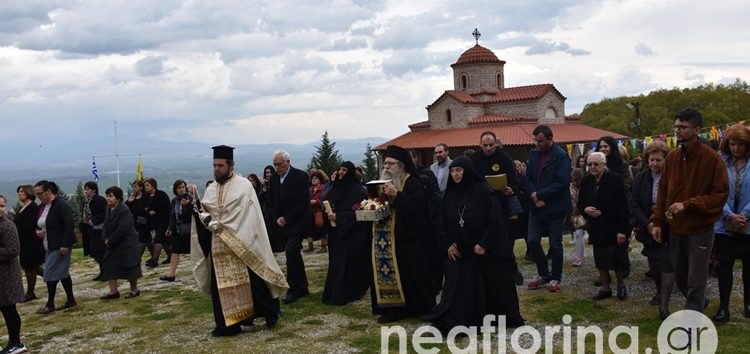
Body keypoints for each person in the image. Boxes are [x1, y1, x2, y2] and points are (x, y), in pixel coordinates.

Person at [192, 145, 288, 336]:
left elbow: (247, 216)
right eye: (214, 165)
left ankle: (270, 311)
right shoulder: (211, 188)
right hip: (218, 246)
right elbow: (206, 213)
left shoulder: (244, 185)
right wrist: (195, 206)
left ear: (231, 165)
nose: (217, 169)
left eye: (220, 165)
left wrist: (223, 227)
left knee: (253, 283)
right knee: (222, 287)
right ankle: (228, 325)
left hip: (240, 242)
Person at [424, 157, 524, 333]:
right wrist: (448, 244)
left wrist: (484, 244)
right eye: (452, 171)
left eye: (459, 171)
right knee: (457, 289)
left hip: (482, 251)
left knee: (489, 284)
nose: (455, 174)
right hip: (461, 252)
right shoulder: (450, 194)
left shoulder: (483, 191)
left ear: (467, 171)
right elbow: (442, 223)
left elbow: (495, 220)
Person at [651, 108, 729, 313]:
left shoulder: (712, 159)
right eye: (676, 126)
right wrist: (658, 221)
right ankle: (698, 303)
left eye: (683, 127)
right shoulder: (673, 158)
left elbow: (720, 194)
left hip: (700, 228)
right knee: (681, 276)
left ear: (697, 129)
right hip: (676, 227)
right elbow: (663, 191)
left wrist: (689, 204)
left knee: (696, 279)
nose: (678, 130)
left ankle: (692, 323)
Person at [371, 145, 435, 324]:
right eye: (385, 164)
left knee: (414, 275)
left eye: (390, 164)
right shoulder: (383, 183)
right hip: (389, 237)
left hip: (412, 238)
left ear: (401, 165)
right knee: (394, 274)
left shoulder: (413, 181)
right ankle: (394, 310)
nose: (386, 168)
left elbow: (417, 206)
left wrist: (397, 195)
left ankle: (422, 307)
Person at [470, 131, 524, 285]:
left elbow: (515, 182)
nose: (488, 148)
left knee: (505, 241)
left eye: (491, 145)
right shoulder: (474, 159)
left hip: (501, 205)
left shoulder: (504, 158)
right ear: (480, 144)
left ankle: (512, 269)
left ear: (496, 143)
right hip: (480, 206)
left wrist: (510, 189)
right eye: (485, 145)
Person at [524, 124, 571, 292]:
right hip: (536, 206)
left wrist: (542, 195)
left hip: (555, 207)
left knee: (555, 244)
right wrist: (534, 195)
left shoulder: (561, 157)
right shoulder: (534, 154)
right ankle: (543, 274)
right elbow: (527, 178)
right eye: (535, 140)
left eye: (541, 141)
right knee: (532, 241)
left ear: (550, 139)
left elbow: (561, 182)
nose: (537, 143)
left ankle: (555, 278)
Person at [578, 152, 630, 300]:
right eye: (590, 164)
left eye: (596, 164)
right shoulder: (586, 180)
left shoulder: (615, 180)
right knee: (599, 259)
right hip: (595, 226)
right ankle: (606, 288)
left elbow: (623, 206)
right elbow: (580, 203)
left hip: (613, 224)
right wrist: (586, 210)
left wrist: (622, 231)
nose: (592, 167)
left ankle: (621, 284)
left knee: (616, 258)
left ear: (603, 165)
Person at [632, 141, 675, 319]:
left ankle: (664, 305)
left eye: (659, 160)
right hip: (647, 227)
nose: (654, 163)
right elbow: (634, 203)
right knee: (654, 264)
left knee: (667, 264)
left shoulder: (673, 176)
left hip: (668, 226)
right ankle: (659, 291)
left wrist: (661, 220)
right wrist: (647, 224)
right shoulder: (642, 177)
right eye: (651, 160)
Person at [713, 124, 750, 322]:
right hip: (724, 223)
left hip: (748, 222)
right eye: (732, 144)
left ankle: (748, 304)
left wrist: (743, 215)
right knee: (724, 266)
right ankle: (723, 307)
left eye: (740, 145)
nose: (736, 148)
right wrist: (729, 215)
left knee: (749, 266)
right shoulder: (720, 162)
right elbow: (715, 191)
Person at [322, 161, 370, 305]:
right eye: (340, 169)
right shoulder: (335, 188)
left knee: (350, 263)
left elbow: (358, 212)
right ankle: (335, 292)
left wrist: (339, 217)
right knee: (336, 263)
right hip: (336, 232)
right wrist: (329, 213)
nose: (341, 172)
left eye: (344, 170)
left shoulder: (359, 190)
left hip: (352, 233)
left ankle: (351, 292)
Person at [269, 150, 312, 304]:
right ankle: (302, 287)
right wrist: (277, 218)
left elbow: (302, 203)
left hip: (298, 222)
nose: (277, 167)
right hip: (282, 223)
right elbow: (271, 202)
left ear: (288, 162)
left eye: (279, 164)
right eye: (275, 165)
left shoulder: (300, 176)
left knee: (291, 251)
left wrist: (286, 218)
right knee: (294, 255)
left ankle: (293, 288)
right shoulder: (274, 179)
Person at [33, 180, 76, 315]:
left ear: (48, 192)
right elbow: (41, 223)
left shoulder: (60, 204)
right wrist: (38, 231)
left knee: (50, 273)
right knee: (63, 273)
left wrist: (65, 244)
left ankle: (50, 304)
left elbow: (69, 224)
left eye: (40, 193)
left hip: (59, 245)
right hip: (48, 244)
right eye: (36, 194)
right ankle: (71, 300)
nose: (38, 196)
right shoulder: (42, 206)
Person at [100, 186, 142, 300]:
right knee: (109, 265)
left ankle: (134, 290)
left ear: (118, 198)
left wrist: (111, 240)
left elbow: (123, 228)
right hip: (111, 243)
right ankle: (113, 291)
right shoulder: (108, 208)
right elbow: (105, 225)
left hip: (126, 243)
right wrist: (104, 238)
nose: (108, 198)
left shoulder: (124, 210)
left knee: (130, 266)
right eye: (107, 196)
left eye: (111, 196)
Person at [0, 195, 28, 354]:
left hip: (6, 275)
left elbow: (13, 250)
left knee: (9, 310)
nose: (0, 209)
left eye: (2, 205)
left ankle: (16, 343)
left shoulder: (7, 226)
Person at [13, 185, 44, 303]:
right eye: (18, 191)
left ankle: (30, 293)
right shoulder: (23, 207)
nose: (19, 194)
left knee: (29, 266)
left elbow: (29, 227)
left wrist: (17, 234)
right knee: (34, 267)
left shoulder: (32, 207)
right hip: (24, 241)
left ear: (28, 193)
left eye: (22, 191)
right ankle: (54, 277)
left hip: (30, 242)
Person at [161, 180, 192, 282]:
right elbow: (172, 216)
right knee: (175, 251)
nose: (181, 189)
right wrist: (169, 228)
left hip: (190, 230)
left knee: (196, 251)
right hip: (178, 230)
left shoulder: (190, 198)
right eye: (179, 188)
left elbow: (195, 213)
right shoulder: (174, 201)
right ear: (175, 190)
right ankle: (171, 274)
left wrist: (188, 205)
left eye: (183, 187)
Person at [80, 181, 107, 281]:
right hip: (89, 229)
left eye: (87, 189)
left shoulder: (100, 200)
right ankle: (103, 271)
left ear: (94, 190)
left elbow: (104, 213)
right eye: (85, 189)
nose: (85, 191)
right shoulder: (87, 201)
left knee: (99, 251)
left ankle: (106, 272)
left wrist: (94, 220)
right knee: (93, 252)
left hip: (98, 229)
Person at [144, 178, 172, 268]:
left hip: (164, 220)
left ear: (153, 185)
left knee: (158, 238)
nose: (146, 187)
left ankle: (154, 260)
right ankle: (171, 256)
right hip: (154, 221)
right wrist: (149, 212)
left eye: (147, 185)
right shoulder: (147, 196)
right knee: (164, 241)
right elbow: (145, 208)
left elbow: (167, 208)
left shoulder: (161, 195)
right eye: (145, 186)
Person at [126, 180, 154, 261]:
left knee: (142, 240)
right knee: (148, 241)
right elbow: (127, 208)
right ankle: (154, 257)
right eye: (133, 187)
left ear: (141, 187)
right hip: (136, 222)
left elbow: (149, 207)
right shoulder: (133, 197)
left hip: (145, 222)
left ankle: (137, 258)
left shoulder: (146, 196)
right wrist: (129, 202)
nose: (133, 189)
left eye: (135, 187)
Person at [306, 170, 328, 253]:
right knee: (309, 229)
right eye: (312, 178)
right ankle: (310, 246)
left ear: (320, 179)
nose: (313, 180)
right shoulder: (310, 189)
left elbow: (324, 199)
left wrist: (316, 201)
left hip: (319, 211)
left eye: (315, 178)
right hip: (310, 212)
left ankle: (323, 247)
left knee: (321, 229)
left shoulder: (323, 188)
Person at [569, 168, 586, 267]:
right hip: (573, 214)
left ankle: (579, 257)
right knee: (579, 234)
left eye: (577, 180)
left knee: (579, 233)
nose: (575, 182)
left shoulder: (584, 187)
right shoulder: (569, 187)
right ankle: (581, 255)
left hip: (584, 212)